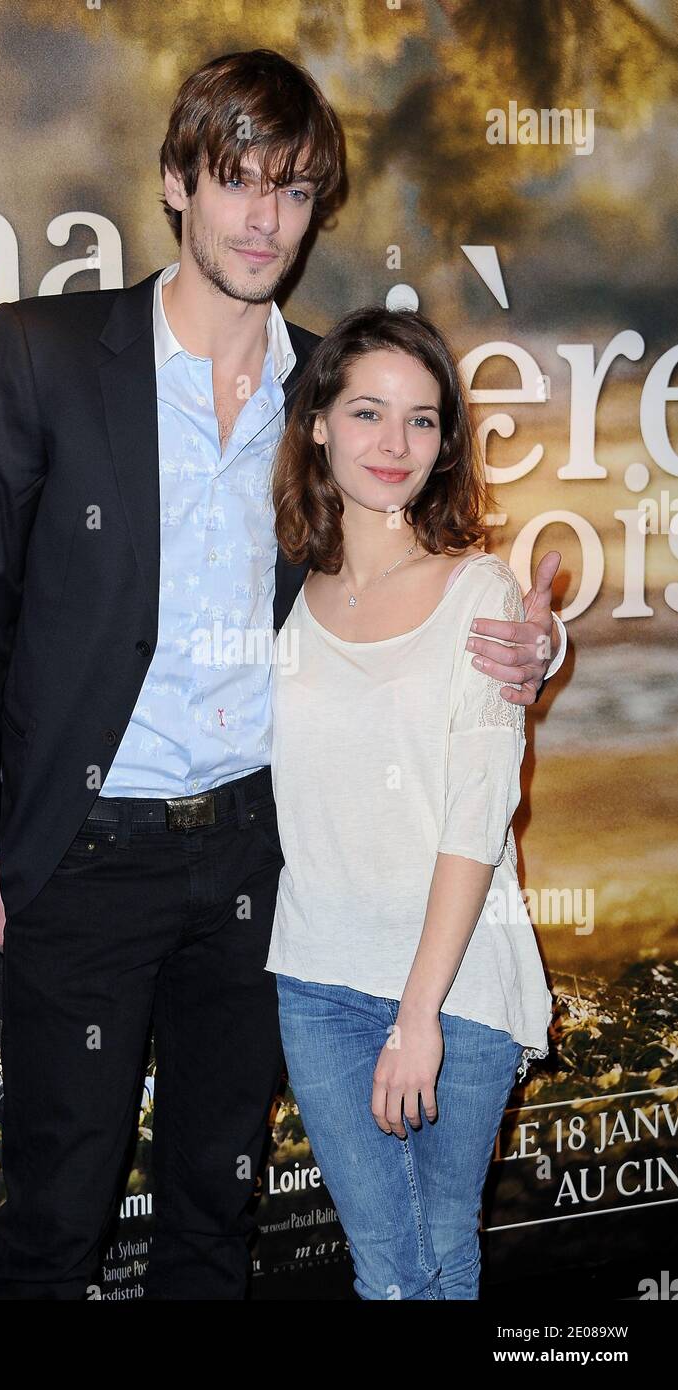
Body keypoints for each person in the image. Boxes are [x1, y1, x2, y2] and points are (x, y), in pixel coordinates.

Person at [0, 50, 566, 1300]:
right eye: (237, 180)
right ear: (176, 183)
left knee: (215, 1215)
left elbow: (421, 588)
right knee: (56, 1217)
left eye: (295, 190)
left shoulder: (327, 390)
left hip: (259, 870)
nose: (265, 217)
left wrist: (531, 648)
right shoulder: (47, 351)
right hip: (82, 854)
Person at [265, 305, 557, 1300]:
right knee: (386, 1271)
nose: (393, 444)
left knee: (438, 1258)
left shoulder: (479, 593)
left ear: (445, 444)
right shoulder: (279, 591)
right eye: (366, 412)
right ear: (316, 423)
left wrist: (417, 1015)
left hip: (456, 984)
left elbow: (477, 818)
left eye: (422, 420)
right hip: (313, 977)